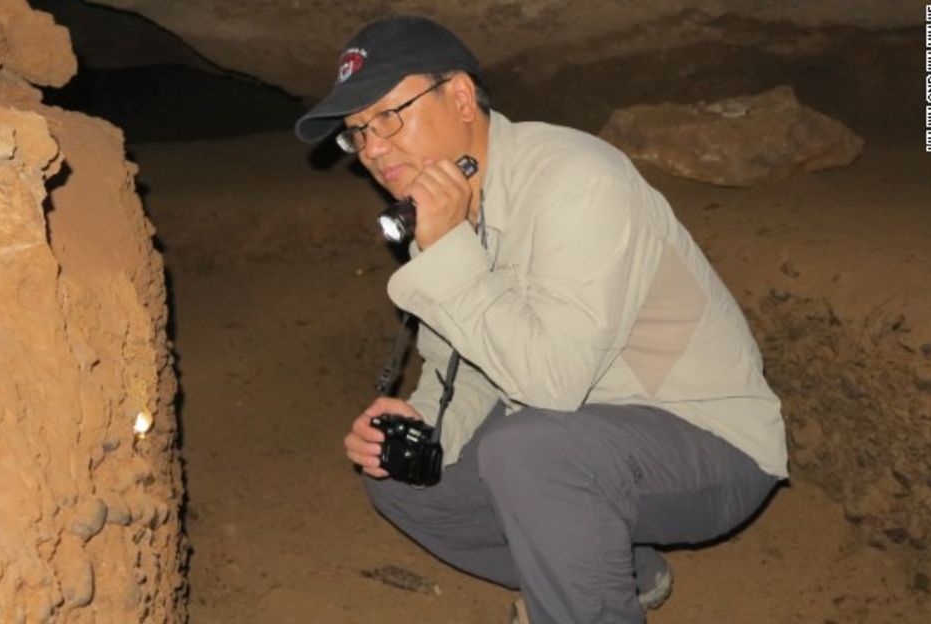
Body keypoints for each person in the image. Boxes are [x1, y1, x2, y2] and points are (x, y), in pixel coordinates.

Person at [295, 15, 788, 624]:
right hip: (581, 432)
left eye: (389, 116)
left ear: (460, 96)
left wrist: (446, 252)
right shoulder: (444, 204)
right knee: (400, 471)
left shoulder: (577, 181)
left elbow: (550, 383)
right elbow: (466, 367)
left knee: (527, 453)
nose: (372, 147)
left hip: (708, 439)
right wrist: (424, 422)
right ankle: (623, 573)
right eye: (357, 132)